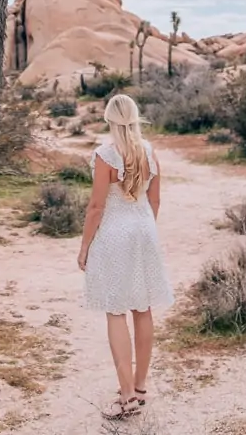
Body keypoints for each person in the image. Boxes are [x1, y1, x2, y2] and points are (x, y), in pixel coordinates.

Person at [77, 93, 174, 420]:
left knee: (116, 310)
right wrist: (144, 231)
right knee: (143, 307)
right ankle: (141, 387)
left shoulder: (105, 155)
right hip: (144, 231)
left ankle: (128, 396)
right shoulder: (150, 152)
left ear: (109, 119)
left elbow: (96, 208)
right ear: (135, 118)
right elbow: (155, 201)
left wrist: (84, 246)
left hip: (114, 236)